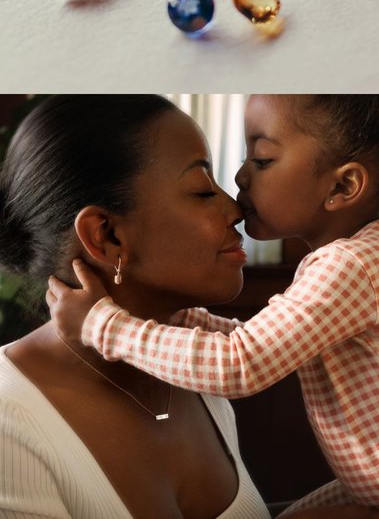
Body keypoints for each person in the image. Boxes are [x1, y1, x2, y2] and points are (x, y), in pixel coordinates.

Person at [49, 95, 379, 515]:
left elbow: (239, 363)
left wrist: (104, 326)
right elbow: (254, 342)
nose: (241, 176)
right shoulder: (358, 259)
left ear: (342, 187)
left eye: (262, 160)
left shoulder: (349, 265)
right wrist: (170, 316)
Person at [0, 95, 270, 519]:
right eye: (202, 190)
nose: (235, 208)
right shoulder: (8, 422)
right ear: (106, 235)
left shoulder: (193, 364)